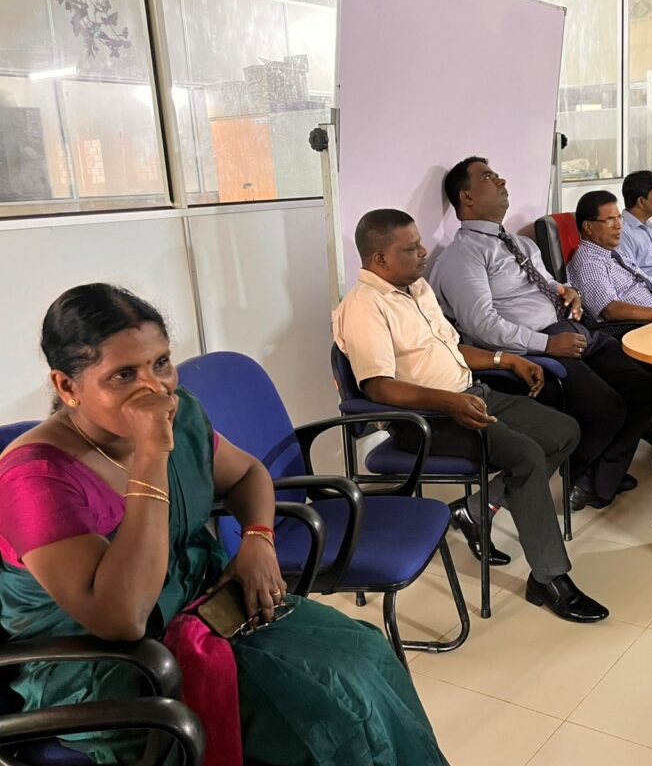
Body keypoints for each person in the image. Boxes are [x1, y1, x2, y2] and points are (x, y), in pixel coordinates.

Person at [0, 284, 448, 765]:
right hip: (109, 667)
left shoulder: (181, 412)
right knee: (320, 716)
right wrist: (150, 457)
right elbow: (123, 618)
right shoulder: (34, 479)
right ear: (67, 387)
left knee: (365, 655)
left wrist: (258, 540)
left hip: (209, 603)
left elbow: (248, 473)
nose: (156, 389)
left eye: (161, 363)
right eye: (124, 374)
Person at [334, 208, 608, 623]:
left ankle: (477, 509)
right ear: (379, 259)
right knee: (525, 455)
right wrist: (449, 403)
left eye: (419, 243)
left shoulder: (416, 287)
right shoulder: (363, 307)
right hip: (425, 420)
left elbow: (452, 348)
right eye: (411, 248)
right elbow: (379, 387)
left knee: (563, 431)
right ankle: (549, 578)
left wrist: (507, 359)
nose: (423, 252)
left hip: (470, 395)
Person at [431, 157, 652, 513]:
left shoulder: (519, 244)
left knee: (646, 389)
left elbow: (547, 284)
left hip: (570, 330)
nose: (502, 180)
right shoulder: (463, 256)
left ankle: (596, 477)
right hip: (534, 347)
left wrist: (570, 292)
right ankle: (591, 480)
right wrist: (547, 344)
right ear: (467, 197)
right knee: (607, 407)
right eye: (489, 177)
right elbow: (482, 326)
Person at [566, 190, 652, 342]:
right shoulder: (589, 263)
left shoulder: (614, 252)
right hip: (639, 331)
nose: (618, 226)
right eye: (610, 220)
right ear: (588, 227)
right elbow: (610, 309)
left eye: (619, 218)